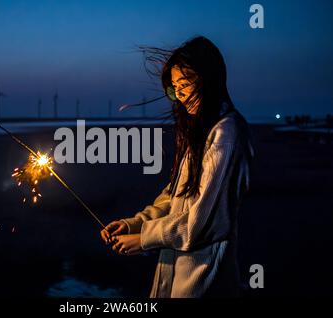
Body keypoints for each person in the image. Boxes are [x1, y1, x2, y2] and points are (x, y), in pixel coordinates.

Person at [100, 36, 254, 298]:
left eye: (185, 84)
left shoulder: (227, 134)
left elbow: (201, 223)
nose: (180, 96)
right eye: (174, 88)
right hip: (173, 272)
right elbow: (174, 198)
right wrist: (134, 224)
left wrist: (144, 239)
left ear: (208, 78)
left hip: (203, 279)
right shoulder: (200, 131)